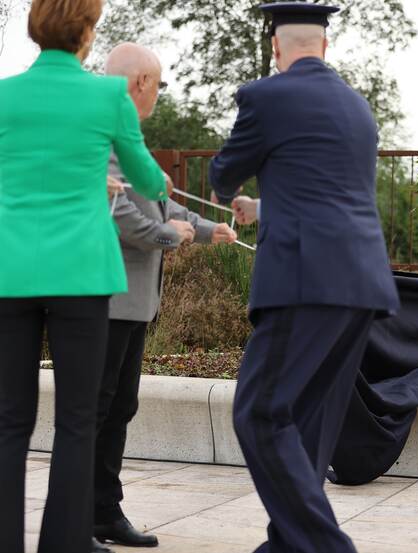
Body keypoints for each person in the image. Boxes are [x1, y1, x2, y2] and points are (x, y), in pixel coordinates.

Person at [208, 3, 400, 552]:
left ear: (275, 47)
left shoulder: (266, 95)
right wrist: (264, 207)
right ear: (325, 46)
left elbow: (223, 173)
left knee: (259, 412)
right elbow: (326, 197)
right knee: (310, 421)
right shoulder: (357, 107)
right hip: (361, 283)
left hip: (303, 282)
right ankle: (288, 545)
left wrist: (230, 193)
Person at [0, 1, 169, 552]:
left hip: (11, 271)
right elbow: (147, 177)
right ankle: (64, 544)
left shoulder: (4, 95)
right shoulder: (107, 96)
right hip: (81, 273)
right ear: (88, 34)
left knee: (9, 421)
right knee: (77, 421)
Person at [91, 43, 238, 552]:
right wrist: (170, 236)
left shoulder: (125, 136)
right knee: (97, 409)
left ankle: (103, 513)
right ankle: (88, 512)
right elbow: (119, 215)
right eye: (159, 84)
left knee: (118, 407)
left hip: (131, 303)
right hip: (104, 297)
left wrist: (203, 229)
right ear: (142, 83)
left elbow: (157, 203)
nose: (158, 94)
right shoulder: (102, 134)